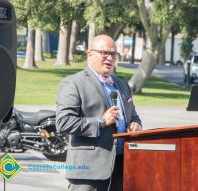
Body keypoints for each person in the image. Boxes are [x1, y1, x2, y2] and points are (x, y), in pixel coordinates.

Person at [56, 35, 142, 191]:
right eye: (104, 53)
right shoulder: (74, 82)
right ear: (90, 55)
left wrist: (135, 124)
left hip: (122, 168)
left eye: (114, 54)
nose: (109, 58)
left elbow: (133, 116)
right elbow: (63, 122)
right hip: (89, 171)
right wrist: (100, 122)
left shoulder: (122, 85)